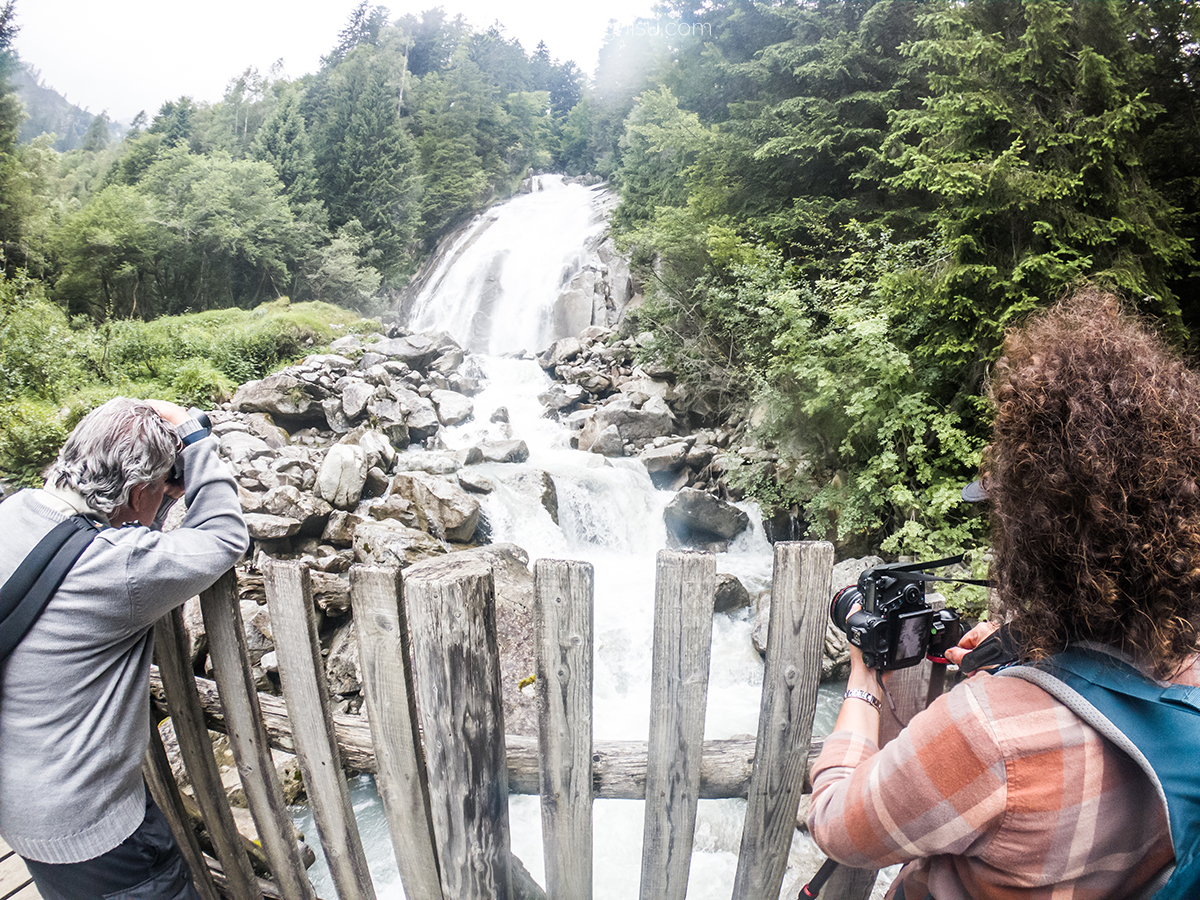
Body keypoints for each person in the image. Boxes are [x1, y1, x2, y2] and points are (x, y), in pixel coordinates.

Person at [807, 289, 1200, 899]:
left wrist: (863, 678)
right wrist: (1033, 666)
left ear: (1034, 546)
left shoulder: (988, 733)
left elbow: (836, 823)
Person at [0, 398, 249, 900]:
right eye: (155, 494)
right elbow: (225, 537)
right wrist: (197, 444)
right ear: (138, 494)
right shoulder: (119, 568)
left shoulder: (15, 511)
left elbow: (104, 537)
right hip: (91, 829)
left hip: (20, 799)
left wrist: (157, 496)